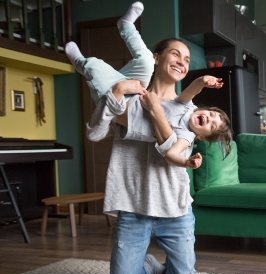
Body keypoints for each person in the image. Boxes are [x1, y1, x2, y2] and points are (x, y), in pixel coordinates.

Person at [70, 2, 232, 274]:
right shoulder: (132, 98)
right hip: (133, 208)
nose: (182, 61)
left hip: (176, 210)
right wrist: (118, 93)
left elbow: (172, 148)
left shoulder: (190, 113)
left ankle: (173, 268)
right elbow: (95, 132)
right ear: (156, 58)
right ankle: (148, 265)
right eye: (176, 54)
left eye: (187, 59)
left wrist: (158, 113)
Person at [65, 1, 232, 168]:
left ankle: (79, 61)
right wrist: (203, 81)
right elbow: (191, 91)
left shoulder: (186, 136)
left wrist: (186, 162)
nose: (209, 118)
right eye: (211, 114)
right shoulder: (187, 107)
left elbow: (171, 154)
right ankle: (126, 25)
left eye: (212, 125)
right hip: (137, 88)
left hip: (118, 102)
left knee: (94, 66)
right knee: (145, 60)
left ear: (202, 137)